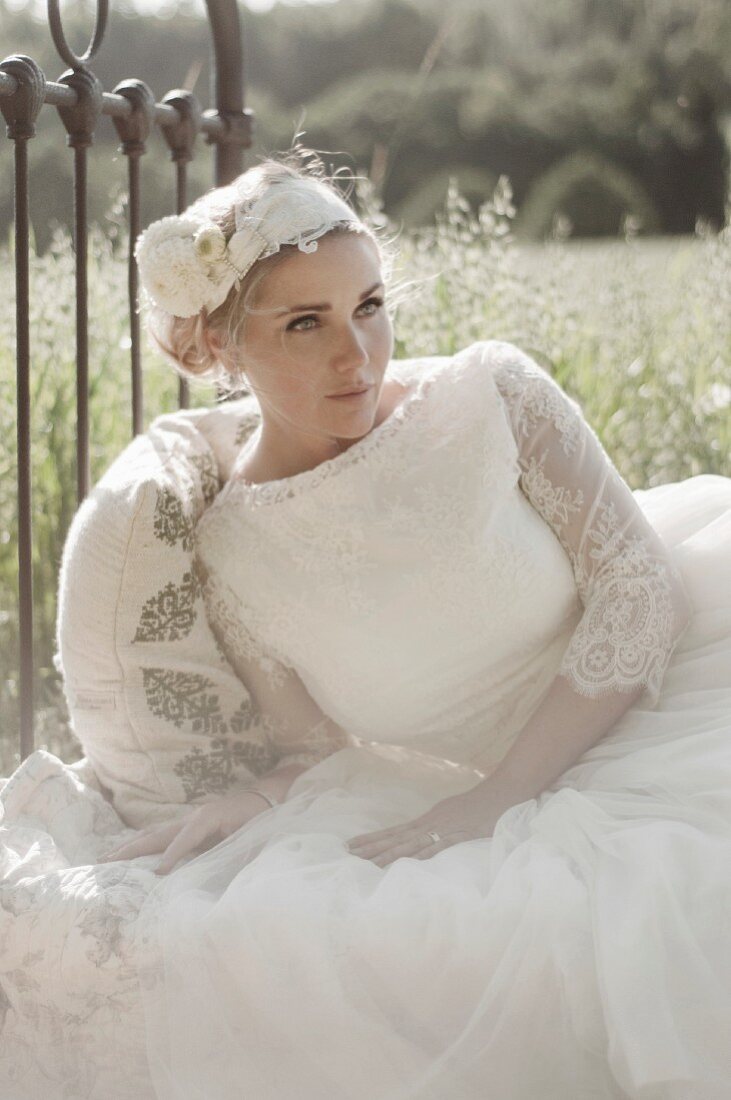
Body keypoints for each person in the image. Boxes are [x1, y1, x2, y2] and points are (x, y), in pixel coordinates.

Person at [103, 144, 731, 1099]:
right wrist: (258, 796)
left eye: (368, 307)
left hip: (669, 702)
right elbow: (314, 744)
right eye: (306, 323)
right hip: (484, 784)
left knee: (678, 899)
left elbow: (641, 589)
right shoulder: (232, 556)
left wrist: (502, 795)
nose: (355, 353)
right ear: (226, 345)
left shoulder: (488, 394)